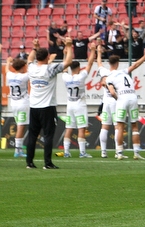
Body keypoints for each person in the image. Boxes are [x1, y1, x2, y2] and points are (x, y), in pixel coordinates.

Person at [24, 38, 74, 169]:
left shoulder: (31, 68)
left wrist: (35, 48)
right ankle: (47, 163)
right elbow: (68, 62)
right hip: (47, 107)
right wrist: (69, 46)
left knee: (32, 136)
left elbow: (29, 59)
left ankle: (29, 162)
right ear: (47, 57)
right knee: (48, 135)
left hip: (34, 107)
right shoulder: (50, 69)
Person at [103, 46, 145, 159]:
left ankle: (119, 153)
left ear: (109, 64)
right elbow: (135, 65)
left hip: (122, 99)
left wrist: (117, 99)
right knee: (134, 126)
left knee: (120, 126)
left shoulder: (109, 77)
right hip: (133, 98)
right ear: (118, 63)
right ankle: (136, 153)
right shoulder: (123, 72)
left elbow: (111, 91)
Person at [62, 45, 97, 158]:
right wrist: (92, 51)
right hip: (79, 105)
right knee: (81, 128)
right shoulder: (81, 77)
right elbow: (90, 63)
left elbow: (64, 67)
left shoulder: (65, 77)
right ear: (79, 68)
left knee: (69, 128)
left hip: (70, 105)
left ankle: (66, 152)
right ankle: (82, 152)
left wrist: (65, 53)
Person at [4, 46, 31, 157]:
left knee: (20, 125)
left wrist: (8, 62)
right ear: (23, 67)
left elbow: (6, 69)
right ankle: (18, 150)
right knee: (21, 126)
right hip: (22, 103)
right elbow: (31, 72)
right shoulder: (24, 77)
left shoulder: (10, 75)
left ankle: (18, 149)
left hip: (13, 103)